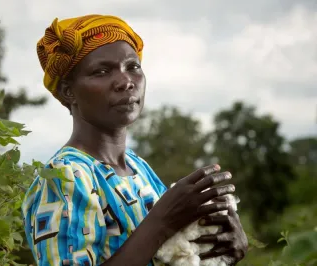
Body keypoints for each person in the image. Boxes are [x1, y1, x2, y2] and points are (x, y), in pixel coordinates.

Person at [22, 14, 248, 266]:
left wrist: (223, 249)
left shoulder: (138, 169)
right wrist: (161, 222)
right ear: (68, 91)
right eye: (102, 71)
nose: (125, 82)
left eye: (133, 67)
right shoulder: (65, 177)